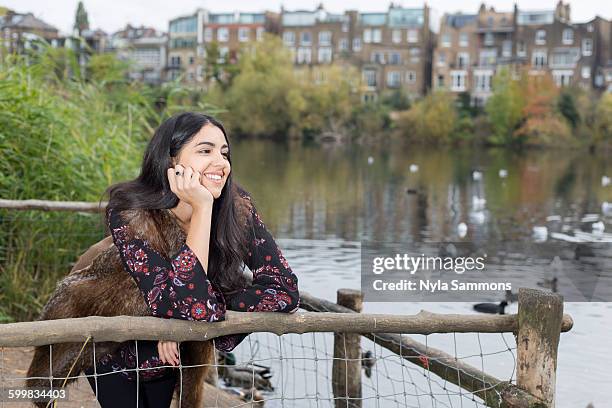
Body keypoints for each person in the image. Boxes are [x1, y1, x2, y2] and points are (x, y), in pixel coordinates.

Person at [84, 112, 300, 407]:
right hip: (114, 351)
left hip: (171, 356)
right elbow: (186, 306)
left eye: (224, 153)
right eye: (205, 150)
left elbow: (284, 290)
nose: (221, 162)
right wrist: (201, 209)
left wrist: (210, 304)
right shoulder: (130, 210)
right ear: (172, 161)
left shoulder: (236, 207)